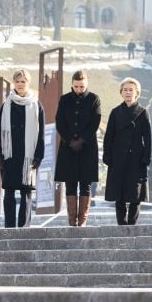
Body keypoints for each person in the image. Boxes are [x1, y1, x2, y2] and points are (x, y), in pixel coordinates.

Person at [0, 69, 45, 228]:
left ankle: (24, 227)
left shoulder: (36, 105)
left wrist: (39, 155)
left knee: (26, 192)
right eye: (17, 81)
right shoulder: (6, 104)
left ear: (28, 83)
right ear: (14, 83)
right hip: (9, 154)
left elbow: (41, 132)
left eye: (23, 81)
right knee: (9, 191)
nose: (20, 84)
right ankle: (9, 226)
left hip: (28, 155)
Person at [54, 70, 102, 227]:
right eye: (76, 86)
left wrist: (82, 140)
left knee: (86, 184)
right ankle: (71, 220)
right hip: (68, 147)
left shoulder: (94, 99)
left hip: (87, 147)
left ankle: (82, 221)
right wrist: (69, 140)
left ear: (86, 84)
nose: (79, 89)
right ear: (72, 84)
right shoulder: (64, 99)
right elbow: (60, 121)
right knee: (70, 183)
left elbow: (95, 122)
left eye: (82, 86)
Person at [103, 77, 151, 225]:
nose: (128, 92)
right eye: (125, 90)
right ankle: (121, 224)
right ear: (121, 93)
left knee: (135, 195)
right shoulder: (115, 112)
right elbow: (109, 136)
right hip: (118, 158)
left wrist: (146, 158)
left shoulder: (142, 112)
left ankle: (132, 224)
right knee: (119, 194)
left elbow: (147, 138)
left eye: (131, 90)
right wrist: (108, 155)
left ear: (137, 92)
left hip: (136, 159)